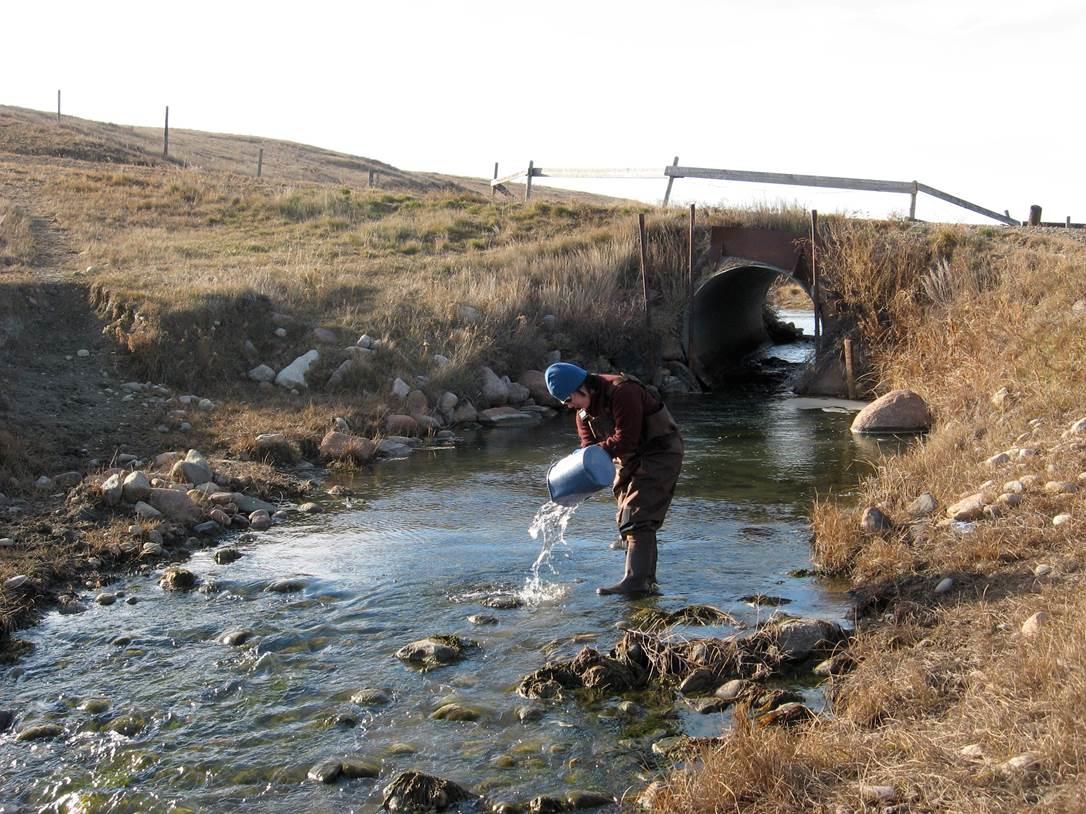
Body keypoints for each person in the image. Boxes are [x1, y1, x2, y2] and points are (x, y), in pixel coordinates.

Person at [545, 362, 683, 597]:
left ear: (582, 388)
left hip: (660, 451)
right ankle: (646, 578)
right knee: (625, 516)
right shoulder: (583, 415)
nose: (569, 406)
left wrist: (598, 454)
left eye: (568, 400)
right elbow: (589, 451)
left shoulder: (623, 392)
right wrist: (580, 481)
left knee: (637, 515)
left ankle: (636, 582)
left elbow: (626, 439)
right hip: (627, 458)